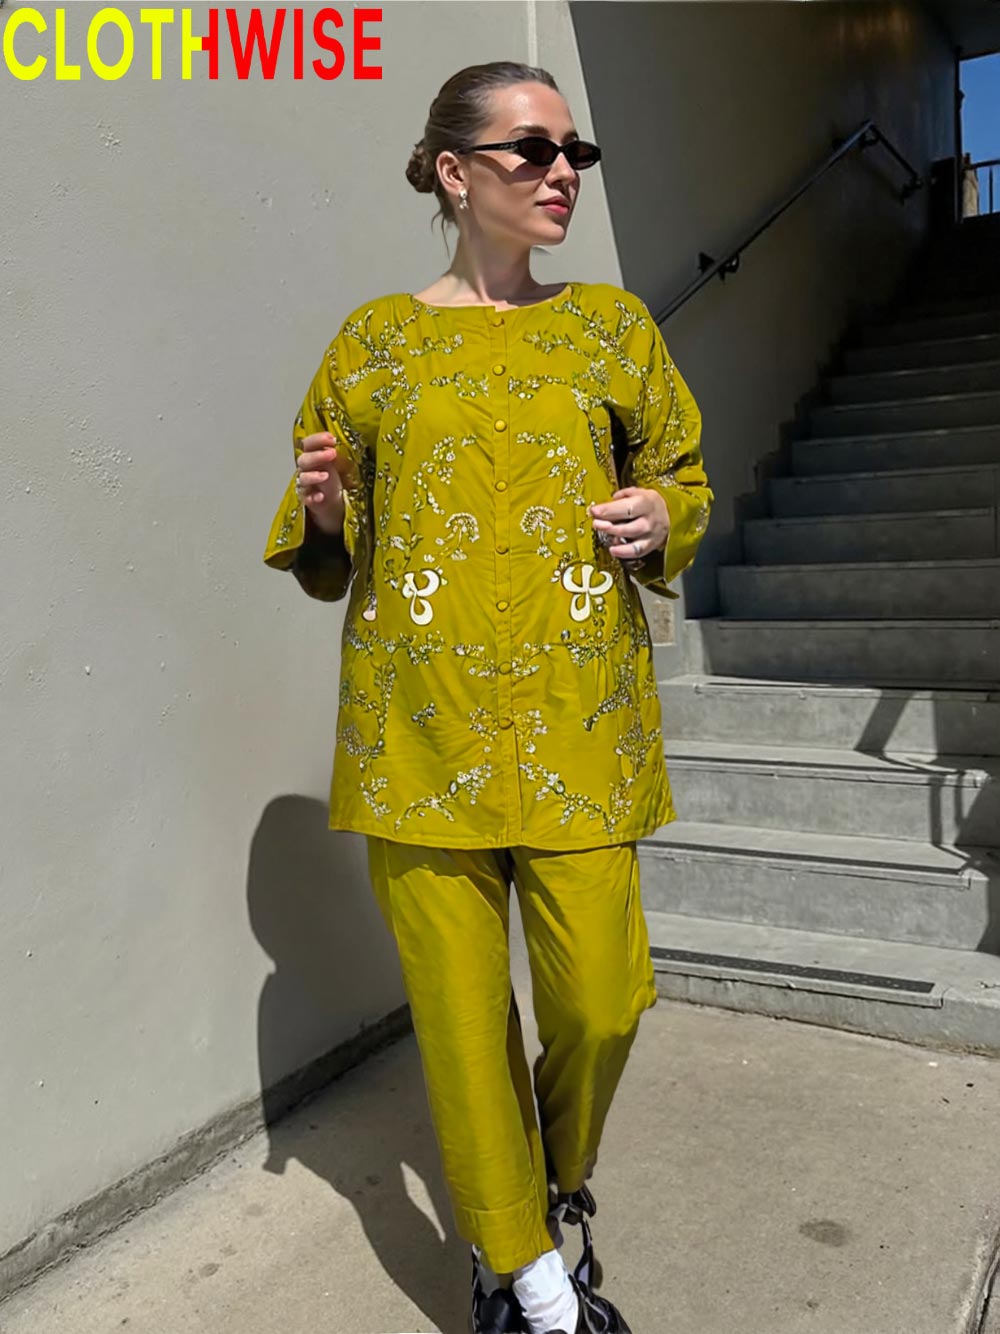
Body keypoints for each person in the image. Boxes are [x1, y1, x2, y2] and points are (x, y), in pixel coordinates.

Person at [263, 60, 712, 1334]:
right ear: (456, 173)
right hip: (419, 728)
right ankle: (522, 1276)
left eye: (576, 151)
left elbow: (684, 474)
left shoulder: (617, 329)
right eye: (531, 149)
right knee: (463, 1029)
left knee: (600, 996)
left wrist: (659, 511)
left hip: (583, 718)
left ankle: (552, 1183)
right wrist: (331, 517)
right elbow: (321, 552)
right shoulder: (371, 342)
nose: (562, 170)